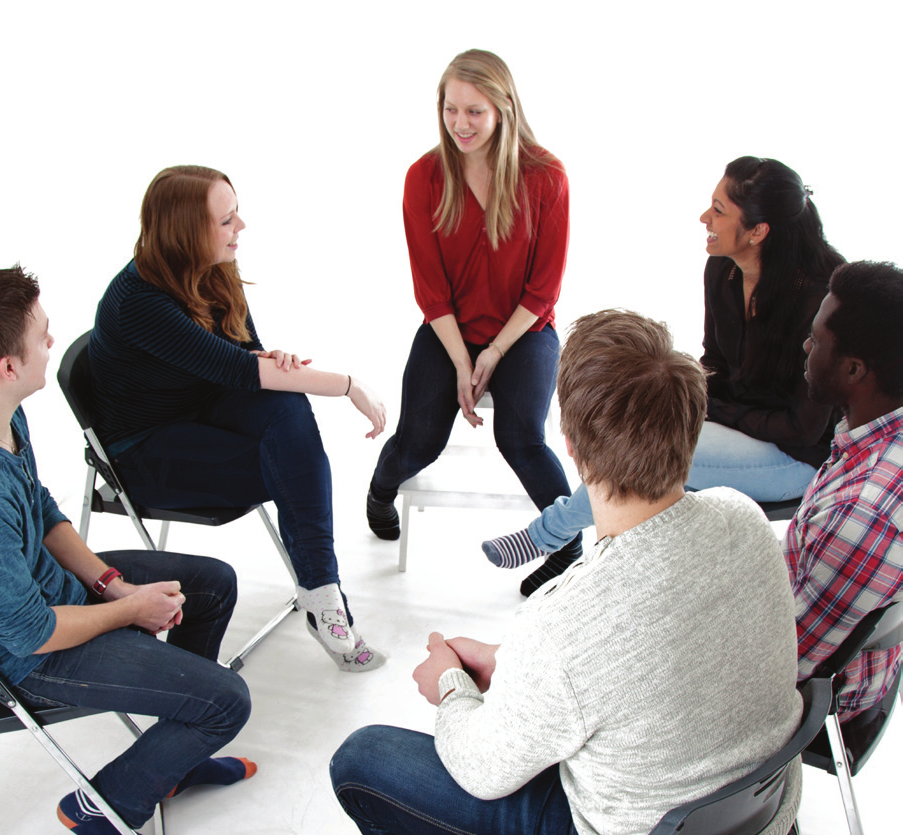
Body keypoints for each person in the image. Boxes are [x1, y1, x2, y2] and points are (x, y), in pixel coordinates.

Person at [333, 309, 803, 835]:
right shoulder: (744, 520)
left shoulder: (564, 620)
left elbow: (481, 769)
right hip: (758, 830)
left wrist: (450, 686)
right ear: (693, 428)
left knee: (361, 763)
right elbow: (636, 663)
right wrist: (512, 667)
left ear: (573, 451)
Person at [0, 267, 254, 835]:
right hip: (32, 656)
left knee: (212, 585)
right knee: (227, 703)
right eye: (42, 337)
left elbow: (42, 507)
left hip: (53, 599)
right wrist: (130, 611)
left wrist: (112, 585)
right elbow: (28, 634)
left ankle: (172, 760)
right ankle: (103, 806)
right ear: (8, 366)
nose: (52, 344)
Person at [482, 156, 845, 577]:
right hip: (737, 429)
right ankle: (586, 560)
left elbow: (802, 428)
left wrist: (709, 409)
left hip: (795, 458)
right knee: (641, 432)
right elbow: (715, 364)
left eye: (720, 211)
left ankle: (552, 536)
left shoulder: (818, 297)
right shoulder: (723, 271)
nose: (704, 217)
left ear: (758, 232)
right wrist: (691, 403)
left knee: (652, 455)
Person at [90, 165, 385, 672]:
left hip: (201, 409)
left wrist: (275, 362)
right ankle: (325, 599)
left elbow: (248, 356)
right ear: (187, 232)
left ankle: (320, 594)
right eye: (226, 220)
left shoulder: (214, 268)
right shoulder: (138, 302)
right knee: (293, 463)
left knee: (288, 409)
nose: (241, 227)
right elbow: (239, 369)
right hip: (145, 454)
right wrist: (350, 385)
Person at [365, 49, 575, 597]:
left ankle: (569, 547)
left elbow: (543, 289)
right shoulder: (424, 177)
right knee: (419, 442)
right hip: (448, 328)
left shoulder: (546, 176)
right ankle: (379, 490)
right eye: (451, 109)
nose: (460, 124)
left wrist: (494, 353)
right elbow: (429, 288)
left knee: (521, 437)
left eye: (474, 111)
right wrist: (462, 357)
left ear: (504, 108)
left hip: (524, 330)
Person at [787, 260, 903, 720]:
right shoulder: (873, 435)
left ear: (854, 370)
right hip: (818, 631)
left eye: (817, 339)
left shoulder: (864, 514)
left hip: (815, 698)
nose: (806, 345)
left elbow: (779, 667)